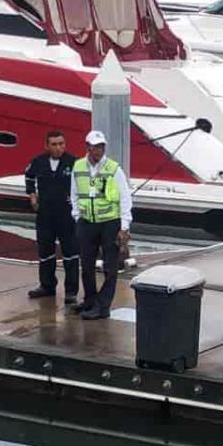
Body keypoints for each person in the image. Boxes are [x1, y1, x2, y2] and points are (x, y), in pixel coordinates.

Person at [71, 130, 132, 321]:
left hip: (109, 222)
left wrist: (124, 225)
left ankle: (103, 306)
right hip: (86, 222)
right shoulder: (78, 166)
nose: (98, 150)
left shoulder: (114, 169)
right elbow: (74, 193)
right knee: (86, 264)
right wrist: (76, 215)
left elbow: (125, 197)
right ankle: (90, 300)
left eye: (101, 147)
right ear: (87, 147)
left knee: (110, 266)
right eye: (94, 146)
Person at [24, 130, 80, 307]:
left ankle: (71, 292)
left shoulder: (74, 162)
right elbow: (29, 177)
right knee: (45, 252)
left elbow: (83, 183)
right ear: (47, 146)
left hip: (67, 215)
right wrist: (32, 195)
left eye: (61, 144)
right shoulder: (38, 162)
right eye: (54, 144)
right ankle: (47, 286)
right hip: (45, 214)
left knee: (71, 254)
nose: (58, 148)